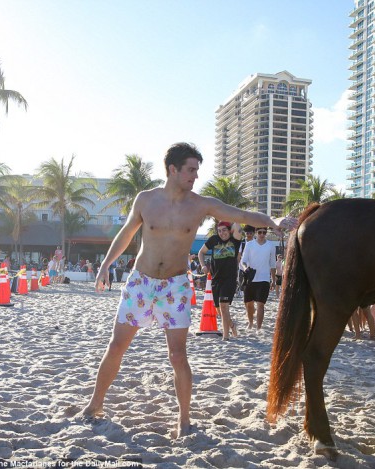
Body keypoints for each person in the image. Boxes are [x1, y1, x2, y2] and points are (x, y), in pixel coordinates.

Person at [82, 142, 296, 438]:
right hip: (141, 282)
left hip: (176, 286)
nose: (195, 176)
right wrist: (106, 265)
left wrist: (272, 222)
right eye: (191, 170)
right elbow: (126, 232)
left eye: (197, 170)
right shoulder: (146, 200)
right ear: (173, 169)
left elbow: (242, 215)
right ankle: (94, 404)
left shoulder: (200, 204)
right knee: (116, 346)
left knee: (178, 356)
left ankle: (183, 420)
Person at [198, 221, 243, 340]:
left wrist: (229, 219)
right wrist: (203, 265)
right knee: (219, 309)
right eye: (219, 230)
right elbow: (201, 253)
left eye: (224, 230)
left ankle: (226, 336)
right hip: (215, 279)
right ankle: (232, 326)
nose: (222, 233)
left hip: (229, 279)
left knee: (224, 306)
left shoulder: (235, 241)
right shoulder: (213, 240)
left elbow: (237, 227)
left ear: (229, 230)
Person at [240, 227, 276, 332]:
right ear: (256, 233)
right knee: (249, 304)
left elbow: (273, 264)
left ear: (266, 233)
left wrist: (273, 280)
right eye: (260, 232)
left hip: (264, 278)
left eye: (264, 232)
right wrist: (246, 268)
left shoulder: (271, 245)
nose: (262, 234)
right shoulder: (249, 244)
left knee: (261, 304)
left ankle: (258, 328)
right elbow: (243, 261)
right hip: (250, 278)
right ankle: (250, 323)